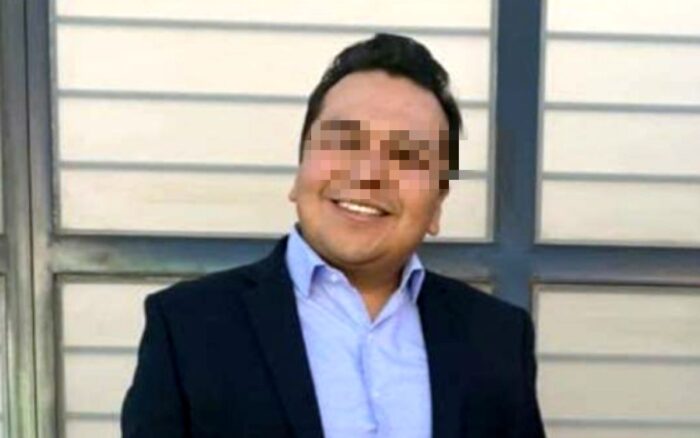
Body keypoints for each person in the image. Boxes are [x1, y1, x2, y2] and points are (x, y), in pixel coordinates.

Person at [121, 33, 546, 438]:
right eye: (344, 142)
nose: (368, 174)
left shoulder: (497, 339)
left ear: (437, 204)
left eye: (406, 155)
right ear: (299, 170)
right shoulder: (188, 326)